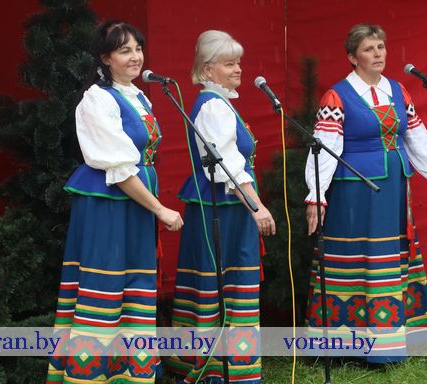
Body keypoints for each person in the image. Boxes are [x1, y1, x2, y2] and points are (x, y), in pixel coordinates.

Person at [304, 23, 427, 363]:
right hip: (354, 192)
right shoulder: (337, 96)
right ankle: (348, 343)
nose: (378, 54)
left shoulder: (398, 90)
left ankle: (395, 339)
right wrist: (316, 195)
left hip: (392, 189)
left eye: (381, 47)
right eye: (369, 49)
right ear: (352, 57)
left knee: (391, 257)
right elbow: (324, 149)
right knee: (358, 260)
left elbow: (416, 138)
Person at [46, 20, 183, 383]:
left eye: (138, 48)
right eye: (124, 51)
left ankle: (131, 373)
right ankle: (91, 374)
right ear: (105, 58)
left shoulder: (138, 96)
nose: (135, 57)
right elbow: (119, 169)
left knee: (133, 283)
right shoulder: (98, 99)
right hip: (109, 205)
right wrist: (160, 209)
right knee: (106, 284)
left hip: (134, 204)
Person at [167, 30, 275, 384]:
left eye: (238, 62)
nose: (238, 69)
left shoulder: (220, 103)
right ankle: (217, 369)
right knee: (226, 278)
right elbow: (227, 164)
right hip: (222, 204)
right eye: (230, 63)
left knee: (223, 279)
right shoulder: (212, 106)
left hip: (227, 202)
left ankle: (221, 364)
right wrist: (257, 206)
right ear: (208, 70)